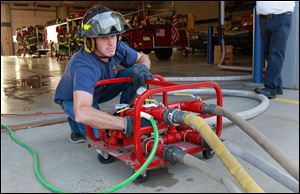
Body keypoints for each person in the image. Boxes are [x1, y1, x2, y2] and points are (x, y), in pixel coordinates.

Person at [54, 5, 153, 143]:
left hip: (100, 89)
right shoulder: (83, 65)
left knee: (134, 73)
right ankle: (76, 126)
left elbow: (142, 57)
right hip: (74, 97)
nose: (111, 42)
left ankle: (126, 112)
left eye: (113, 35)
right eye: (104, 37)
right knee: (102, 135)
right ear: (91, 40)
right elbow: (83, 111)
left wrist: (142, 67)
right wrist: (125, 124)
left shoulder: (117, 46)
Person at [254, 1, 295, 99]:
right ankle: (277, 87)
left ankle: (270, 88)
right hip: (264, 18)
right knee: (268, 53)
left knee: (276, 54)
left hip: (281, 17)